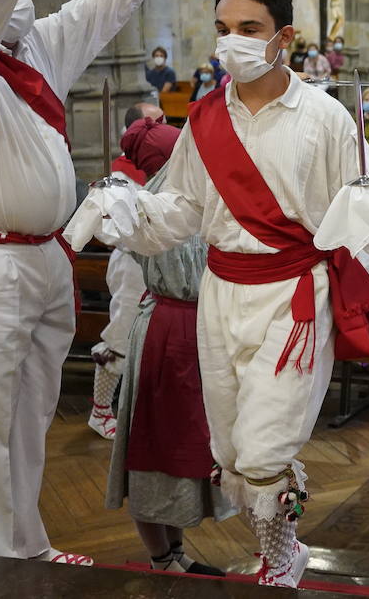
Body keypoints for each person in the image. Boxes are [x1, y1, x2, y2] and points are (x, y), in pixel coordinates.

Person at [66, 0, 369, 588]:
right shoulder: (201, 120)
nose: (233, 43)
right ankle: (284, 550)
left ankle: (279, 560)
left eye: (249, 30)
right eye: (223, 30)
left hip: (294, 296)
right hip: (220, 297)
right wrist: (129, 210)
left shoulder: (326, 118)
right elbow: (183, 213)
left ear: (285, 36)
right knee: (227, 451)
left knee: (264, 451)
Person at [0, 0, 227, 566]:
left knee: (28, 417)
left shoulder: (31, 50)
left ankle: (27, 544)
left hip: (40, 258)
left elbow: (103, 1)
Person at [104, 116, 230, 578]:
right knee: (155, 444)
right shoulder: (146, 205)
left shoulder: (192, 193)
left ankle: (176, 552)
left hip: (196, 328)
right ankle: (160, 557)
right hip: (165, 331)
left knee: (188, 443)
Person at [88, 105, 169, 441]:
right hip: (132, 266)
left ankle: (144, 413)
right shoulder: (120, 176)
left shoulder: (164, 164)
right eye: (155, 122)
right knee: (121, 335)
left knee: (157, 342)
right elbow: (107, 229)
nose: (162, 126)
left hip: (163, 265)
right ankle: (100, 410)